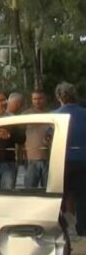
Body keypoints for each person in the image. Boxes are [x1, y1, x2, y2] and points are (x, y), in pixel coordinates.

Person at [53, 82, 86, 235]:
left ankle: (64, 227)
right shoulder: (84, 114)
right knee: (82, 196)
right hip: (83, 160)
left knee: (61, 195)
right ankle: (82, 228)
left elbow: (49, 138)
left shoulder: (55, 115)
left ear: (59, 97)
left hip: (62, 161)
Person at [23, 91, 51, 188]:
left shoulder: (51, 114)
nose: (37, 101)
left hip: (48, 159)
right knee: (29, 191)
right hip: (30, 159)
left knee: (48, 191)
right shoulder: (25, 115)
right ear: (32, 100)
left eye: (40, 98)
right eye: (35, 99)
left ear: (45, 99)